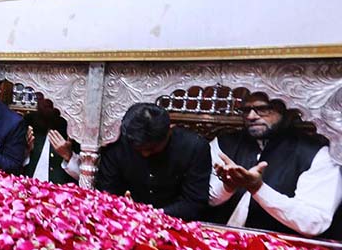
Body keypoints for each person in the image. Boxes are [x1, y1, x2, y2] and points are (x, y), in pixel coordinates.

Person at [208, 92, 342, 236]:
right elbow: (207, 199)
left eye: (263, 109)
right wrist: (227, 187)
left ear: (288, 111)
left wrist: (258, 188)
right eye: (246, 110)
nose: (251, 116)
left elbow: (313, 223)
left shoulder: (318, 153)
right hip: (217, 242)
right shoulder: (224, 144)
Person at [94, 102, 211, 221]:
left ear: (169, 131)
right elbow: (106, 193)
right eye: (138, 150)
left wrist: (153, 215)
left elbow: (194, 204)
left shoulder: (194, 147)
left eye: (152, 149)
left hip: (175, 222)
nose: (145, 154)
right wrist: (125, 207)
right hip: (126, 220)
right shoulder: (116, 144)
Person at [24, 100, 80, 184]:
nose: (46, 100)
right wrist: (25, 151)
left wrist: (69, 157)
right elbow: (12, 167)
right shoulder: (28, 122)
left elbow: (88, 178)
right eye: (42, 97)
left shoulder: (76, 127)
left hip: (62, 193)